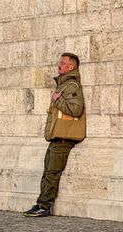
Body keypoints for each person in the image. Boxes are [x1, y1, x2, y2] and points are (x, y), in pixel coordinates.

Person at [23, 52, 86, 218]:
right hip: (57, 138)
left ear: (71, 66)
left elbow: (76, 109)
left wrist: (57, 100)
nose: (59, 65)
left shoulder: (72, 86)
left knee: (52, 173)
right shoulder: (64, 85)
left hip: (64, 138)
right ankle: (40, 203)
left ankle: (44, 205)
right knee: (47, 172)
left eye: (63, 63)